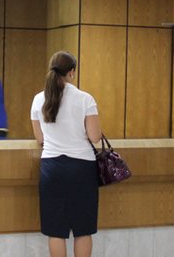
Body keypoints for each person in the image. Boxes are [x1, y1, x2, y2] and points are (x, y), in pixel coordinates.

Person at [30, 51, 101, 257]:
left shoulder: (38, 99)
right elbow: (95, 137)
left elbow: (40, 138)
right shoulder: (85, 99)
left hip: (51, 168)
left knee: (56, 230)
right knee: (83, 229)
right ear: (72, 72)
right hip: (82, 168)